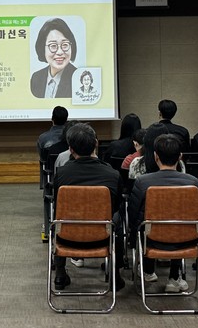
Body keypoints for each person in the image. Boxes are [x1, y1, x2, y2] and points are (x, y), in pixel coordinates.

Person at [52, 123, 124, 291]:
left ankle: (60, 273)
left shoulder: (61, 174)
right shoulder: (113, 175)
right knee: (117, 218)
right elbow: (115, 206)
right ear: (96, 144)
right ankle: (115, 273)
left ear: (71, 149)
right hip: (103, 237)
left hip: (67, 238)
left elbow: (57, 206)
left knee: (59, 218)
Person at [128, 134, 198, 292]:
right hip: (186, 240)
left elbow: (132, 214)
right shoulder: (193, 183)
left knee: (144, 223)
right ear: (180, 156)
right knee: (179, 225)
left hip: (151, 240)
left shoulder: (143, 182)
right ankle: (174, 278)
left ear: (156, 156)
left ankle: (148, 271)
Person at [30, 18, 78, 98]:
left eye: (65, 45)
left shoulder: (78, 78)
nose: (60, 52)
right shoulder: (36, 77)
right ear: (42, 48)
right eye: (53, 46)